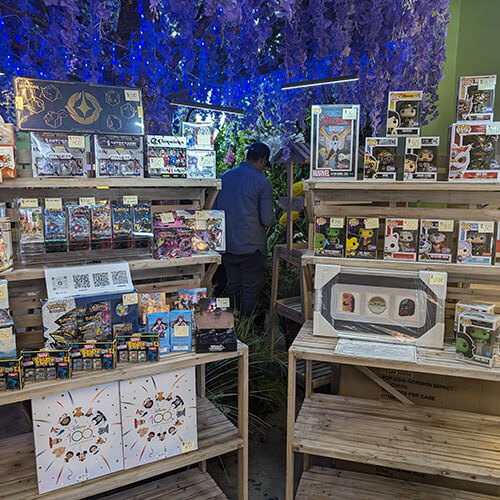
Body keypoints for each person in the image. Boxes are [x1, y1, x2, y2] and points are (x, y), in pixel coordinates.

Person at [214, 142, 275, 317]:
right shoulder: (262, 182)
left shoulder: (223, 178)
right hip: (252, 248)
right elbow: (267, 220)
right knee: (250, 290)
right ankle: (248, 328)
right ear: (262, 160)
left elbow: (214, 212)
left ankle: (232, 326)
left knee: (232, 286)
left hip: (228, 246)